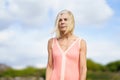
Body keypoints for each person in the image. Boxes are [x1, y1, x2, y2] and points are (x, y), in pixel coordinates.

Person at [46, 10, 87, 80]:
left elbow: (83, 68)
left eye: (65, 19)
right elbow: (50, 66)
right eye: (60, 20)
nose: (62, 22)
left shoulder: (81, 42)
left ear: (71, 22)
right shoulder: (51, 42)